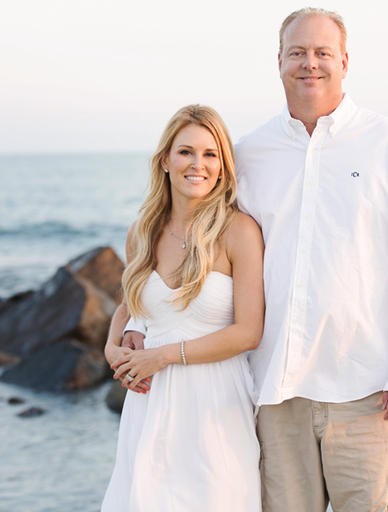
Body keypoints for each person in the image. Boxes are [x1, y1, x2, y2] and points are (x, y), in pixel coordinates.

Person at [232, 8, 388, 512]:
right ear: (279, 61)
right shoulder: (250, 154)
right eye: (298, 52)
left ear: (345, 62)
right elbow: (215, 258)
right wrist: (142, 323)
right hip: (275, 394)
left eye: (322, 52)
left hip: (368, 392)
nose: (310, 63)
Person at [100, 105, 265, 512]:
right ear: (165, 161)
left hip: (215, 407)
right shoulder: (142, 231)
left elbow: (248, 332)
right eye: (186, 152)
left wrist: (162, 356)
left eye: (211, 155)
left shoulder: (238, 231)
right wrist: (110, 345)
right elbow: (131, 303)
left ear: (224, 167)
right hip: (148, 406)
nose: (198, 164)